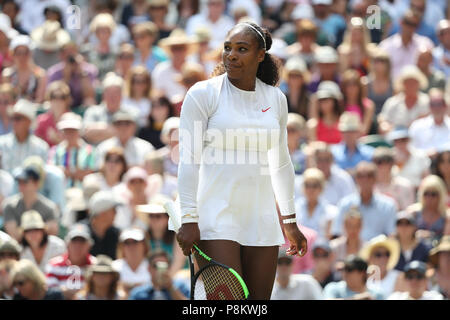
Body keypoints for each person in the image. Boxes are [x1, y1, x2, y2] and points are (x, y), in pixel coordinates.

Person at [176, 22, 308, 300]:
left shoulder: (276, 98)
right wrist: (188, 217)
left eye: (242, 49)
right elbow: (188, 160)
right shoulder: (202, 94)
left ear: (261, 55)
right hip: (213, 216)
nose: (231, 55)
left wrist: (290, 220)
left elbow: (281, 164)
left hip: (262, 219)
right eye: (227, 48)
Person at [331, 161, 397, 242]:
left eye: (369, 176)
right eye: (360, 176)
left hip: (377, 252)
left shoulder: (388, 205)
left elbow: (391, 234)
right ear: (356, 179)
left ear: (375, 179)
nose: (365, 180)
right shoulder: (345, 204)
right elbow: (337, 232)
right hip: (351, 251)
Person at [2, 165, 59, 241]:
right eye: (19, 182)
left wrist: (23, 230)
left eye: (25, 182)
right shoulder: (9, 205)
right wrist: (41, 228)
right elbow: (14, 235)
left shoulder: (49, 207)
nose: (21, 185)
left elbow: (53, 232)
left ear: (36, 183)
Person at [136, 194, 186, 276]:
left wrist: (165, 282)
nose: (154, 219)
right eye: (151, 216)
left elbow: (178, 263)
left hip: (177, 279)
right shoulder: (144, 236)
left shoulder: (177, 236)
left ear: (168, 218)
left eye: (158, 216)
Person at [296, 141, 356, 206]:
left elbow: (350, 204)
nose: (323, 163)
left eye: (327, 159)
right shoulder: (304, 180)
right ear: (314, 161)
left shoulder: (343, 178)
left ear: (332, 160)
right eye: (319, 160)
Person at [378, 9, 434, 80]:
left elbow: (431, 70)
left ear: (417, 26)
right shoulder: (386, 46)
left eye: (413, 25)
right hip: (392, 88)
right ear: (401, 22)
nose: (410, 27)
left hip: (418, 88)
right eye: (407, 23)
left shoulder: (425, 44)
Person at [45, 224, 97, 299]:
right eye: (74, 241)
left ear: (89, 245)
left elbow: (99, 292)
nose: (77, 246)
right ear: (67, 244)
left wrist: (65, 291)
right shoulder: (54, 264)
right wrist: (82, 292)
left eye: (82, 242)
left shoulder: (95, 266)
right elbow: (50, 291)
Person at [48, 112, 97, 189]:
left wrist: (67, 172)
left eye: (73, 130)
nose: (69, 134)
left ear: (79, 131)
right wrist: (76, 172)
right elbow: (52, 173)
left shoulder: (90, 151)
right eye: (66, 130)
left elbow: (89, 174)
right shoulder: (55, 151)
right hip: (60, 193)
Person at [0, 99, 49, 173]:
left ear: (29, 122)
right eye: (13, 118)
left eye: (18, 118)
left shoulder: (41, 147)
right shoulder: (1, 144)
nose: (14, 122)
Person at [378, 65, 430, 135]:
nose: (411, 85)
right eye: (407, 82)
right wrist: (388, 128)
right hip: (396, 141)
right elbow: (383, 121)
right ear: (402, 84)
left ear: (419, 83)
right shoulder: (392, 102)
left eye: (413, 82)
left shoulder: (427, 101)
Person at [46, 41, 98, 110]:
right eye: (67, 53)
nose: (70, 56)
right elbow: (50, 96)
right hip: (62, 105)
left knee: (89, 101)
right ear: (61, 55)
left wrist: (81, 73)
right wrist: (66, 76)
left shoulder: (89, 70)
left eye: (73, 52)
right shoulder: (54, 72)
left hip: (82, 106)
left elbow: (90, 95)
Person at [152, 29, 196, 105]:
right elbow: (157, 95)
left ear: (186, 49)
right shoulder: (160, 70)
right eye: (175, 48)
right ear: (170, 50)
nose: (178, 52)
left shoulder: (195, 69)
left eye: (181, 48)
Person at [295, 168, 338, 240]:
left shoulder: (331, 212)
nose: (310, 189)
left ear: (321, 188)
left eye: (315, 185)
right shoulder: (294, 209)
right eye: (307, 185)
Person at [2, 35, 46, 103]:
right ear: (13, 54)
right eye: (18, 53)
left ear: (30, 53)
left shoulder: (40, 75)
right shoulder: (7, 74)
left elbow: (40, 99)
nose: (22, 57)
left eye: (25, 53)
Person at [82, 72, 124, 145]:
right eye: (109, 92)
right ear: (103, 95)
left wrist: (99, 133)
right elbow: (87, 133)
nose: (112, 96)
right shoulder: (92, 111)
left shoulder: (129, 113)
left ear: (121, 95)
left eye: (116, 93)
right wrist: (117, 132)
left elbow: (128, 135)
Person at [409, 88, 450, 156]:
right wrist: (426, 154)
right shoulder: (417, 126)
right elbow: (410, 148)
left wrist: (440, 152)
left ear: (445, 106)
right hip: (423, 163)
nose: (436, 108)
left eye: (439, 104)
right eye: (433, 104)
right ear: (429, 107)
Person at [409, 175, 448, 243]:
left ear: (440, 195)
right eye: (426, 193)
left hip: (438, 250)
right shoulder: (413, 212)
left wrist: (431, 235)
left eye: (433, 194)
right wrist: (416, 235)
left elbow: (447, 240)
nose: (429, 197)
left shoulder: (446, 216)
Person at [112, 228, 151, 294]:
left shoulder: (152, 267)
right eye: (127, 243)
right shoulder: (114, 267)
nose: (131, 246)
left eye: (135, 242)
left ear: (144, 245)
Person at [34, 80, 71, 147]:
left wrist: (57, 141)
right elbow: (36, 145)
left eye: (62, 97)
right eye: (54, 97)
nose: (58, 101)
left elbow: (74, 147)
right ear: (49, 99)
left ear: (67, 100)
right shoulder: (42, 121)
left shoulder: (72, 120)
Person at [340, 69, 375, 136]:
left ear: (359, 87)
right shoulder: (339, 104)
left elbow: (364, 130)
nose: (351, 89)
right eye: (348, 85)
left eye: (354, 85)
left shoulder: (368, 105)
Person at [87, 190, 121, 260]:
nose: (116, 213)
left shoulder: (116, 234)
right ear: (103, 213)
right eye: (113, 210)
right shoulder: (83, 232)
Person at [366, 49, 394, 116]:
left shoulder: (393, 84)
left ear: (388, 65)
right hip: (370, 119)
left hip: (388, 119)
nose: (379, 65)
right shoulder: (365, 83)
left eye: (382, 62)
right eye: (376, 61)